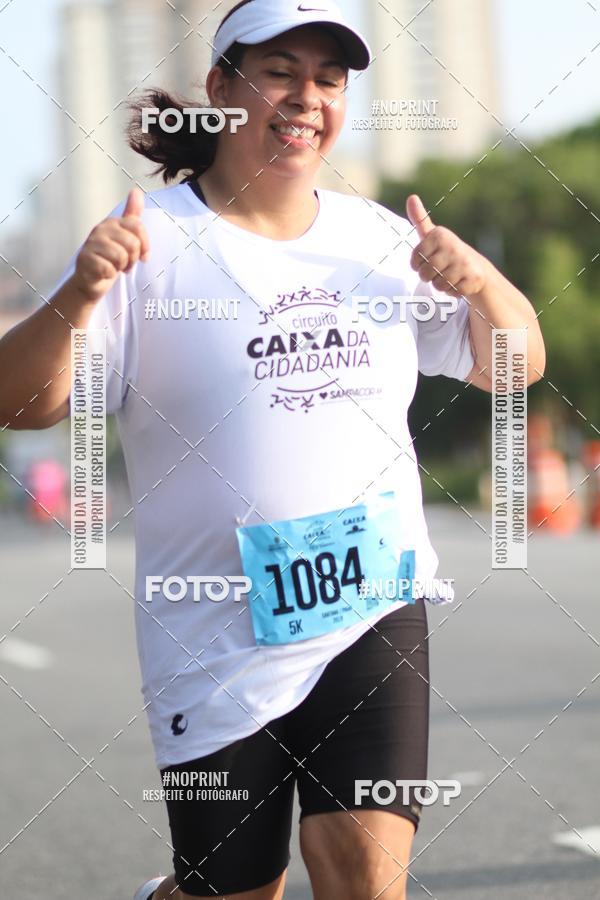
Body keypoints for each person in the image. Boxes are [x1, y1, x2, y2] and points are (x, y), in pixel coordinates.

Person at [0, 1, 545, 898]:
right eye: (280, 71)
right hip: (212, 625)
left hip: (371, 600)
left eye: (328, 79)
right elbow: (23, 402)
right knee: (235, 889)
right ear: (220, 88)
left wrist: (482, 282)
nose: (306, 97)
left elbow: (516, 367)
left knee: (367, 880)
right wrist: (79, 293)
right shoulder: (149, 241)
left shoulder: (381, 241)